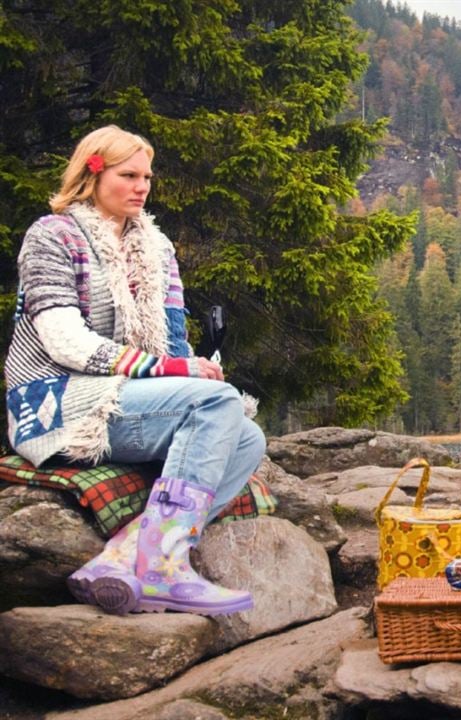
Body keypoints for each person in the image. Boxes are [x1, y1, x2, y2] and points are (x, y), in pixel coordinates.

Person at [4, 125, 266, 614]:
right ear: (93, 173)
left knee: (247, 436)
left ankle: (120, 559)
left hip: (126, 394)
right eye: (129, 174)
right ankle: (165, 566)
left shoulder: (156, 248)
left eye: (147, 176)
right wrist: (170, 369)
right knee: (216, 406)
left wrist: (197, 368)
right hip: (58, 401)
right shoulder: (52, 235)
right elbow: (64, 341)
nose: (142, 186)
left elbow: (173, 340)